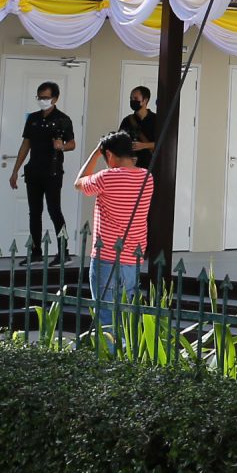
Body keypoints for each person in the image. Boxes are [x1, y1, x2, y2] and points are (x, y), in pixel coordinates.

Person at [75, 133, 152, 338]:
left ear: (109, 154)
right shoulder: (147, 177)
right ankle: (124, 355)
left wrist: (95, 153)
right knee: (126, 316)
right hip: (133, 258)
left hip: (106, 257)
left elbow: (79, 183)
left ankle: (109, 356)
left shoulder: (106, 178)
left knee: (106, 318)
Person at [8, 82, 75, 260]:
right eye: (39, 97)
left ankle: (63, 251)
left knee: (54, 210)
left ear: (55, 98)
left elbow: (72, 144)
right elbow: (26, 144)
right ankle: (36, 252)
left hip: (53, 172)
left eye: (46, 97)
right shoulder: (33, 118)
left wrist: (62, 146)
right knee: (34, 212)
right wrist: (15, 170)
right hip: (34, 171)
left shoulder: (63, 119)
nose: (42, 100)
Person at [118, 86, 161, 170]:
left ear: (145, 100)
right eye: (131, 98)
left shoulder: (157, 120)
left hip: (151, 167)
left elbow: (162, 144)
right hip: (131, 167)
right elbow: (119, 143)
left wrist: (144, 145)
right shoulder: (127, 121)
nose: (132, 101)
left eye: (135, 98)